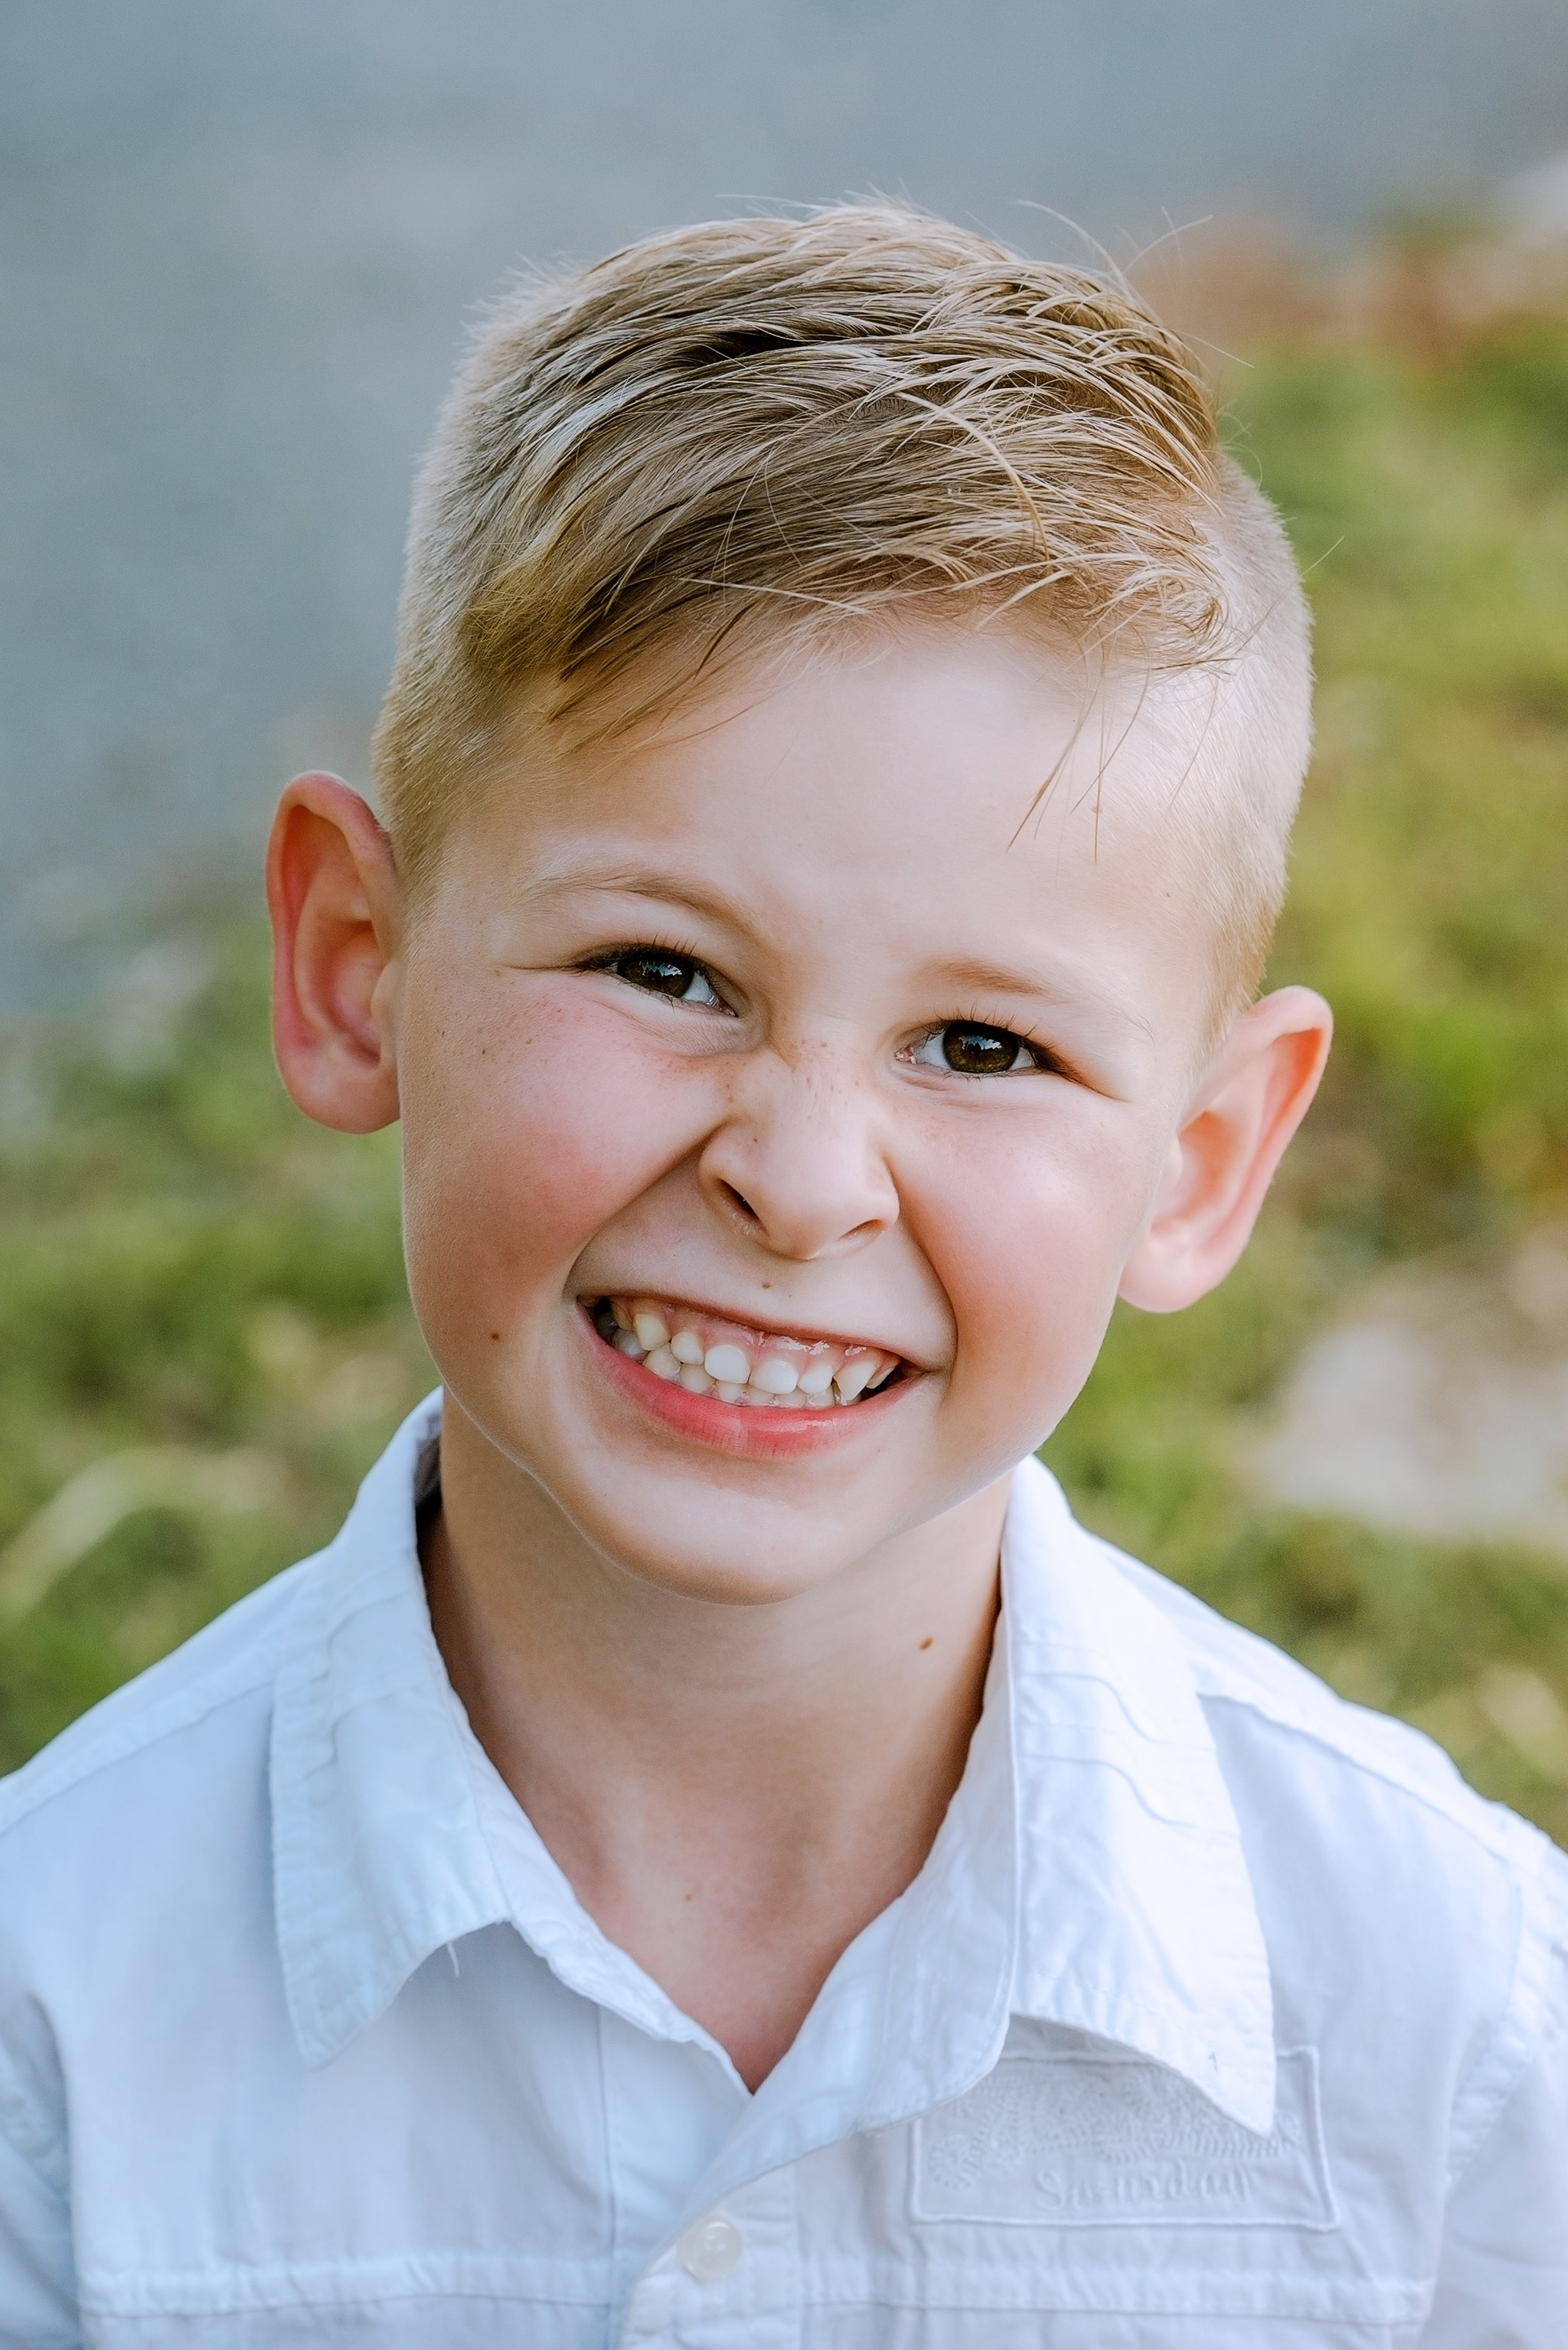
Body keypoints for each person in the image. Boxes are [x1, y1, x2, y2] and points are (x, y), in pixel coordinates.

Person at [1, 204, 1563, 2350]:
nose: (806, 1179)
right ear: (354, 973)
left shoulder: (1457, 2025)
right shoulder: (51, 2022)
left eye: (985, 1047)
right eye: (667, 971)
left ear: (1204, 1162)